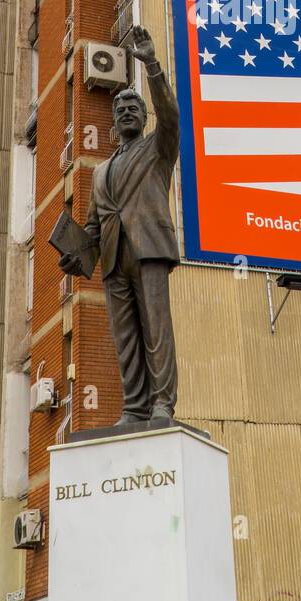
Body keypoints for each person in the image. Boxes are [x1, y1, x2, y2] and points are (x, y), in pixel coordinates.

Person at [57, 26, 180, 429]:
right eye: (120, 108)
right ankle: (135, 407)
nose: (127, 111)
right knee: (125, 338)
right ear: (113, 121)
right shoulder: (101, 172)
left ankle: (163, 404)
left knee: (156, 329)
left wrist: (151, 64)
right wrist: (76, 254)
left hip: (149, 249)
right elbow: (93, 226)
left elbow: (172, 115)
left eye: (134, 108)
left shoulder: (158, 149)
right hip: (113, 261)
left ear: (145, 119)